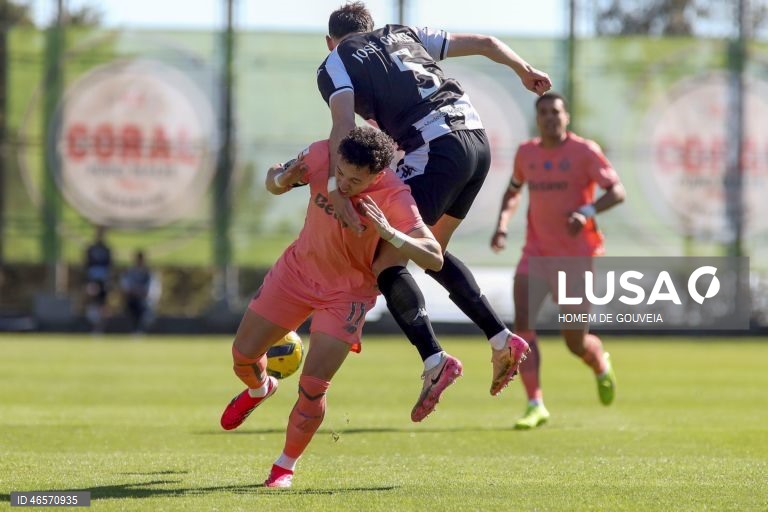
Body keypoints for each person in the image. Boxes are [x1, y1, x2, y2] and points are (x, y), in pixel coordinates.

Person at [316, 1, 551, 420]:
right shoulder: (402, 32)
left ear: (330, 40)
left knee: (387, 259)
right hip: (476, 141)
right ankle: (502, 340)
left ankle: (434, 360)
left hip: (434, 146)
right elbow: (486, 42)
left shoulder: (336, 59)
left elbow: (343, 127)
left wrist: (336, 187)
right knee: (432, 250)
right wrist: (524, 70)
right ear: (370, 27)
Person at [219, 127, 446, 488]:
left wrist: (389, 233)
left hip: (347, 294)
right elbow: (272, 182)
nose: (343, 182)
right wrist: (282, 178)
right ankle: (261, 389)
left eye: (356, 180)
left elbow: (434, 257)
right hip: (295, 273)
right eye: (341, 172)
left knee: (312, 386)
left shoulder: (395, 194)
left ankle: (284, 467)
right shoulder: (322, 153)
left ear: (377, 175)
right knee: (242, 357)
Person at [490, 92, 626, 429]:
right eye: (544, 112)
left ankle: (598, 364)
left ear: (566, 117)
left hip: (575, 258)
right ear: (537, 119)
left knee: (574, 341)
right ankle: (535, 403)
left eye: (556, 111)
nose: (551, 117)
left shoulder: (584, 152)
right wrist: (502, 227)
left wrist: (588, 211)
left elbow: (617, 191)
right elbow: (513, 190)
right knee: (522, 326)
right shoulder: (527, 153)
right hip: (534, 254)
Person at [120, 250, 160, 334]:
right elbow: (126, 286)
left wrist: (142, 293)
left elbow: (151, 289)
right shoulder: (130, 271)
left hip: (145, 300)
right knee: (131, 309)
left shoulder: (148, 273)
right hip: (132, 299)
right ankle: (135, 330)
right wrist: (133, 292)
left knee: (145, 311)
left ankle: (141, 330)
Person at [83, 226, 112, 333]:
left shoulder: (107, 249)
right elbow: (86, 264)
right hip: (92, 279)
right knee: (92, 303)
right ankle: (92, 326)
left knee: (103, 304)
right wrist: (88, 280)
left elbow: (109, 265)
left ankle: (101, 327)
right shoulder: (91, 248)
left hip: (103, 279)